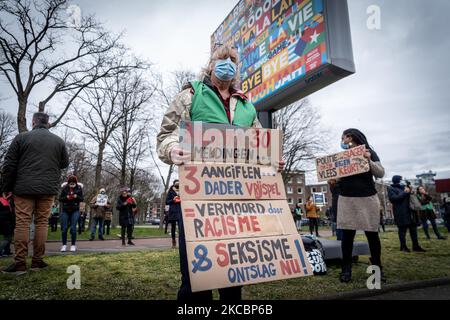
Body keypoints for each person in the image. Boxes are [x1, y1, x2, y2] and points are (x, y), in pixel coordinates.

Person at [157, 45, 284, 302]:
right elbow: (165, 135)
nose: (227, 63)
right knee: (196, 279)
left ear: (237, 68)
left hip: (237, 201)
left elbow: (258, 147)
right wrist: (172, 150)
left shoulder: (248, 106)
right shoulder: (190, 95)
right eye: (221, 58)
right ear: (211, 63)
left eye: (232, 60)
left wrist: (271, 161)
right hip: (197, 200)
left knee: (233, 275)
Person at [1, 112, 69, 275]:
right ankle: (37, 262)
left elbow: (9, 164)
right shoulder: (58, 141)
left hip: (23, 188)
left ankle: (19, 264)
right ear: (47, 123)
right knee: (42, 223)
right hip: (47, 188)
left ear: (33, 122)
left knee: (22, 222)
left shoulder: (21, 138)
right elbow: (64, 163)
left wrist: (6, 187)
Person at [337, 128, 385, 283]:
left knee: (372, 235)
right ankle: (346, 269)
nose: (342, 141)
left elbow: (380, 173)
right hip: (347, 199)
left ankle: (377, 269)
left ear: (351, 137)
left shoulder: (370, 151)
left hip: (367, 199)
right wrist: (333, 180)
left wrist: (368, 160)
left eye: (343, 137)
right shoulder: (341, 156)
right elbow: (336, 176)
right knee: (347, 237)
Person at [388, 175, 425, 252]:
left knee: (413, 230)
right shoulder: (391, 188)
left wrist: (412, 192)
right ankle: (403, 247)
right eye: (401, 180)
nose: (402, 181)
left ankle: (416, 246)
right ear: (397, 180)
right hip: (401, 213)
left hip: (411, 212)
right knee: (402, 231)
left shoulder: (405, 187)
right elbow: (394, 199)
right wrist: (405, 193)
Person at [59, 175, 84, 252]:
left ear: (76, 183)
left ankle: (73, 245)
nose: (72, 184)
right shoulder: (65, 189)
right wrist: (66, 197)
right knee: (64, 228)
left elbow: (82, 199)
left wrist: (76, 196)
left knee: (73, 228)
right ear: (68, 183)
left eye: (73, 183)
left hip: (75, 210)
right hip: (65, 210)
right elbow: (60, 199)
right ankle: (64, 245)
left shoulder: (79, 189)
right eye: (70, 183)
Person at [166, 180, 181, 248]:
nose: (178, 185)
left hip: (180, 211)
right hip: (173, 212)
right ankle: (173, 241)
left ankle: (182, 242)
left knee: (181, 228)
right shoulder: (170, 191)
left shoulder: (183, 190)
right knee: (173, 228)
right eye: (176, 184)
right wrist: (173, 200)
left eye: (179, 183)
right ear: (174, 184)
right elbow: (167, 202)